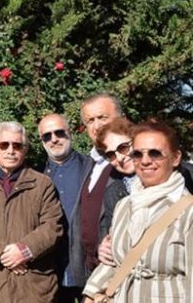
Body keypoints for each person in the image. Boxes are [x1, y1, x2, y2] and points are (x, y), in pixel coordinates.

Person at [82, 121, 193, 302]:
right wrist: (91, 294)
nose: (145, 160)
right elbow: (115, 262)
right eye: (137, 154)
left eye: (155, 153)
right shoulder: (124, 206)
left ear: (175, 158)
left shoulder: (188, 210)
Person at [0, 121, 63, 303]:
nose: (10, 150)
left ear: (25, 150)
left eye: (17, 145)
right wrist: (2, 254)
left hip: (33, 282)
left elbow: (53, 225)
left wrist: (24, 250)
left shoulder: (42, 184)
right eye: (4, 145)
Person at [38, 114, 93, 302]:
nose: (54, 139)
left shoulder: (92, 169)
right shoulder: (36, 177)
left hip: (88, 267)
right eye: (47, 136)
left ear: (70, 134)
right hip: (53, 268)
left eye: (59, 133)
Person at [78, 93, 123, 275]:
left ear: (122, 119)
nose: (97, 126)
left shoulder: (137, 161)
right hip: (92, 269)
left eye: (103, 118)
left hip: (121, 266)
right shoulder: (88, 164)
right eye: (90, 120)